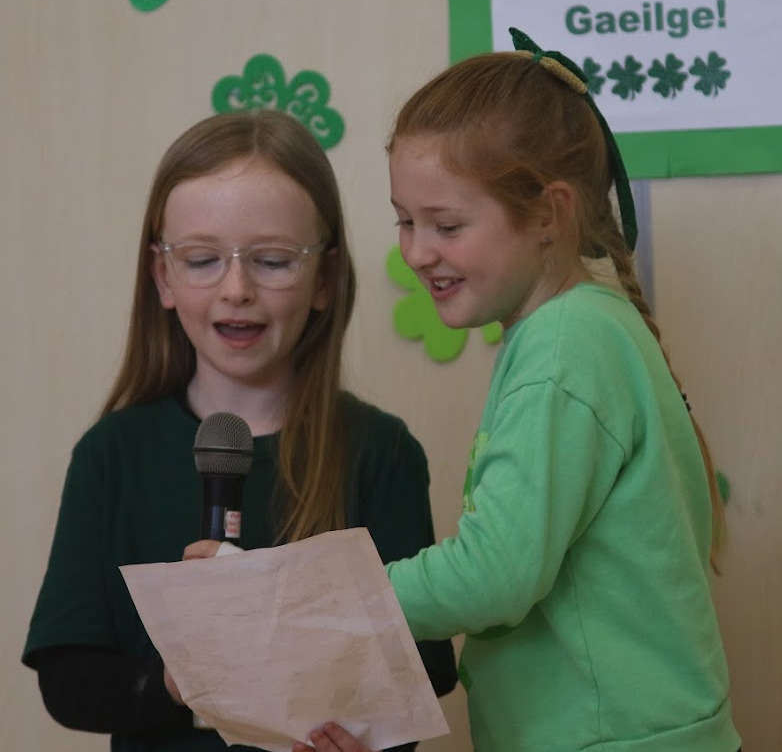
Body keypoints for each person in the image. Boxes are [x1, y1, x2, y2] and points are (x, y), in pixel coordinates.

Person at [293, 30, 741, 752]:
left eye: (447, 224)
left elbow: (494, 575)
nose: (416, 251)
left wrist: (327, 599)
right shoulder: (580, 329)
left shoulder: (565, 346)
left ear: (547, 214)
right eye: (405, 220)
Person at [22, 110, 457, 752]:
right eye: (202, 259)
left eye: (273, 261)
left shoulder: (381, 452)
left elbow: (426, 670)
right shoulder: (111, 454)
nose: (236, 289)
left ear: (324, 280)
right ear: (163, 277)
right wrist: (182, 681)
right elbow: (68, 680)